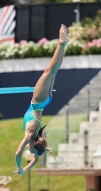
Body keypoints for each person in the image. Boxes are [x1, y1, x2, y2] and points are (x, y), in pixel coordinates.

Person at [14, 24, 69, 175]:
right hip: (38, 101)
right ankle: (61, 42)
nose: (29, 150)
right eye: (31, 149)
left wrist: (24, 170)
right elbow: (17, 154)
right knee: (50, 70)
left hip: (45, 101)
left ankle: (63, 44)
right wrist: (20, 168)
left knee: (53, 70)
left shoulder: (35, 136)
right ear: (33, 144)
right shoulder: (31, 134)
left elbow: (36, 160)